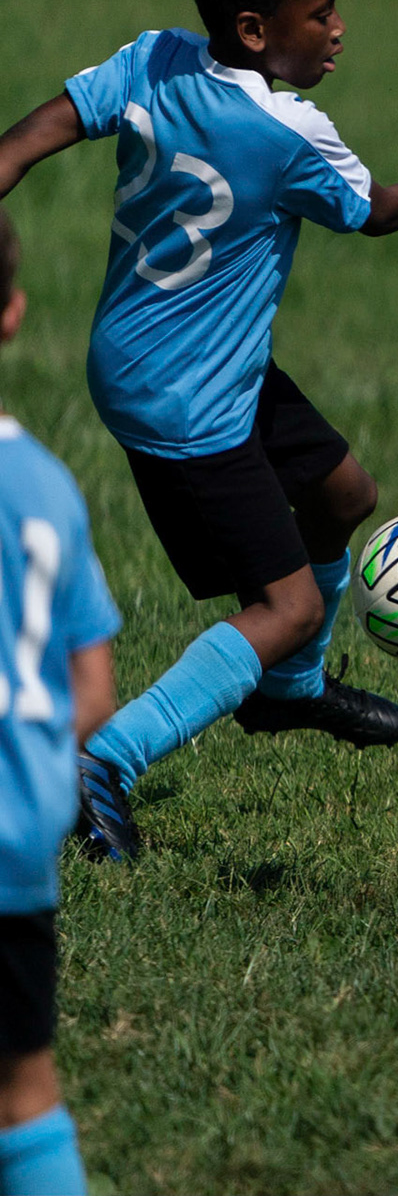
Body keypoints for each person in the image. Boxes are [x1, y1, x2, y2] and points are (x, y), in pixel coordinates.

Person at [0, 0, 398, 856]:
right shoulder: (287, 130)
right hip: (188, 398)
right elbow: (378, 212)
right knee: (286, 606)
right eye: (321, 13)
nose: (338, 28)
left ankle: (288, 691)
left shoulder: (152, 60)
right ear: (256, 30)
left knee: (345, 496)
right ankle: (105, 760)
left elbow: (32, 136)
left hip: (188, 359)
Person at [0, 206, 122, 1196]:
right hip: (13, 846)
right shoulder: (46, 488)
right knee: (26, 1093)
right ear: (12, 315)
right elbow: (94, 690)